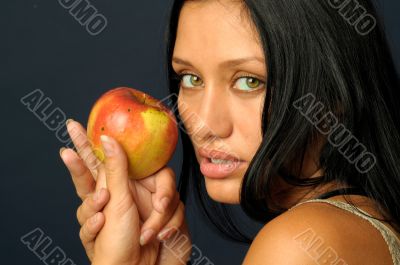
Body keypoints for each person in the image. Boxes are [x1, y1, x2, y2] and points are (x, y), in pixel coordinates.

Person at [60, 0, 400, 264]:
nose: (204, 123)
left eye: (249, 81)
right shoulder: (362, 222)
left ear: (333, 94)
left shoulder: (300, 244)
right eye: (190, 78)